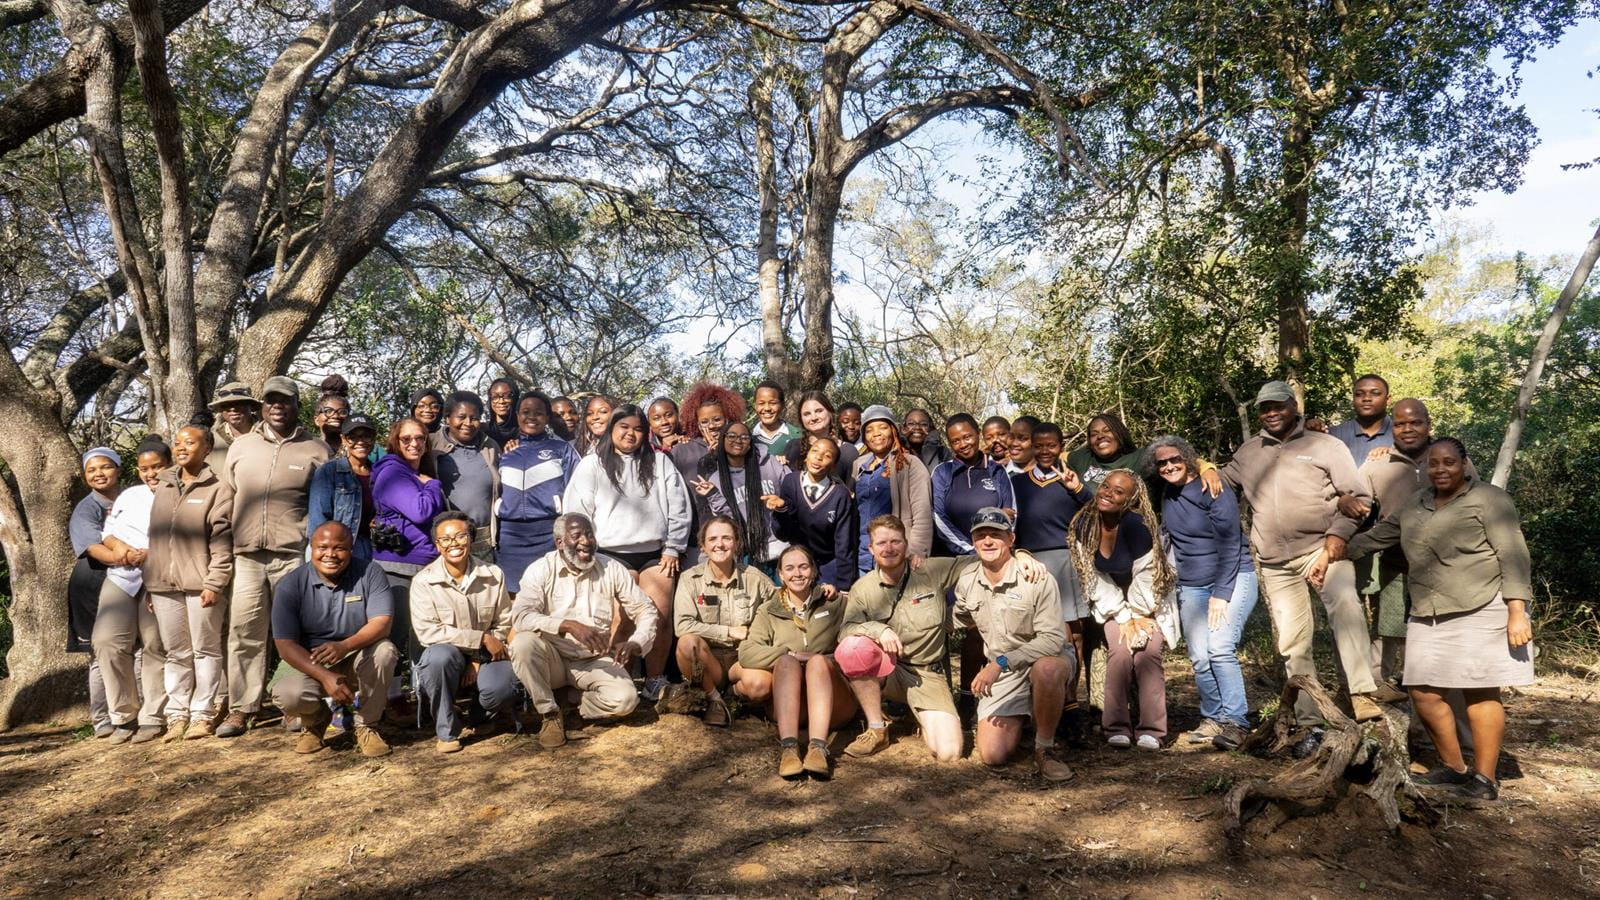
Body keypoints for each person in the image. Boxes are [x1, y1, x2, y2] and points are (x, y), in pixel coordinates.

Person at [1344, 438, 1532, 800]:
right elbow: (1381, 535)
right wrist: (1335, 550)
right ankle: (1455, 767)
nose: (1441, 470)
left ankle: (1485, 779)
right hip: (1429, 609)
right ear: (1426, 468)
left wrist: (1517, 611)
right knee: (1423, 691)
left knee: (1480, 690)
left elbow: (1513, 555)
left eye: (1449, 462)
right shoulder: (1416, 503)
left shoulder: (1490, 500)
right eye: (1434, 464)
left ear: (1464, 463)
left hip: (1482, 605)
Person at [1219, 380, 1381, 758]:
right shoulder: (1249, 452)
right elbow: (1222, 484)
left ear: (1293, 406)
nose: (1271, 413)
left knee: (1346, 608)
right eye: (1264, 408)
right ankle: (1309, 722)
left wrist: (1338, 536)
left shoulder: (1325, 445)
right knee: (1293, 641)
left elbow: (1359, 496)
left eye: (1278, 405)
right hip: (1275, 561)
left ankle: (1362, 695)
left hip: (1321, 548)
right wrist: (1207, 467)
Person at [835, 515, 1045, 762]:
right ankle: (876, 728)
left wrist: (1020, 555)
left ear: (906, 544)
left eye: (895, 541)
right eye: (881, 543)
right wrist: (878, 630)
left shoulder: (930, 570)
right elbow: (846, 630)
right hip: (887, 671)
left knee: (949, 752)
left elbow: (981, 557)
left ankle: (921, 716)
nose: (889, 548)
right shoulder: (863, 588)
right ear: (871, 549)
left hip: (927, 674)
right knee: (853, 648)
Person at [219, 375, 330, 737]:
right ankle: (242, 708)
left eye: (285, 400)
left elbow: (322, 506)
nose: (277, 406)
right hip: (247, 554)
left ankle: (290, 704)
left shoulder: (315, 450)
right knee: (244, 631)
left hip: (292, 555)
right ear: (261, 406)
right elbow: (225, 500)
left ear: (299, 406)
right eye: (271, 401)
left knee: (292, 632)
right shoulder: (241, 447)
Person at [1346, 398, 1477, 689]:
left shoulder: (1449, 458)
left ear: (1428, 425)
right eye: (1401, 423)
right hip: (1394, 559)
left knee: (1441, 623)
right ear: (1393, 427)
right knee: (1388, 625)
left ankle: (1440, 680)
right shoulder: (1377, 462)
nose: (1408, 429)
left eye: (1415, 422)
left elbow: (1476, 502)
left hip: (1447, 564)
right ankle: (1381, 683)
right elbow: (1360, 505)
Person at [564, 404, 691, 701]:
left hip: (656, 553)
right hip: (609, 553)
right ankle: (617, 679)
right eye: (624, 427)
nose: (630, 434)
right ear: (612, 429)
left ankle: (654, 679)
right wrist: (583, 551)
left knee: (659, 614)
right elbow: (576, 511)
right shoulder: (592, 464)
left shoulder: (659, 462)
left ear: (645, 433)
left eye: (637, 428)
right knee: (622, 618)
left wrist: (673, 547)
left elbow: (679, 507)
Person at [509, 513, 660, 748]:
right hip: (553, 660)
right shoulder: (540, 569)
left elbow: (646, 609)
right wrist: (567, 625)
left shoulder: (611, 568)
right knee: (523, 644)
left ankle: (572, 702)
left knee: (626, 701)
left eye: (589, 534)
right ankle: (549, 714)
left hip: (593, 660)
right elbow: (520, 616)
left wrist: (637, 642)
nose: (586, 541)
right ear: (560, 542)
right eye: (577, 535)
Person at [1146, 436, 1258, 751]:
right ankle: (1213, 717)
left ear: (1189, 458)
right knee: (1198, 655)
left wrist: (1221, 593)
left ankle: (1236, 722)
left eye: (1175, 460)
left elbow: (1231, 544)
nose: (1169, 466)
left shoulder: (1213, 487)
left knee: (1220, 647)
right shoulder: (1166, 490)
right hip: (1191, 584)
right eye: (1162, 463)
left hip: (1233, 577)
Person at [955, 508, 1075, 780]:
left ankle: (1045, 748)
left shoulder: (1036, 577)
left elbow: (1053, 640)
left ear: (1011, 539)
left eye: (995, 535)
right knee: (992, 754)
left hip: (1042, 658)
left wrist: (999, 663)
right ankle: (1029, 716)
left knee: (1047, 670)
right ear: (973, 542)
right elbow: (959, 618)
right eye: (980, 535)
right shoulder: (967, 581)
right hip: (1005, 670)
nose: (987, 541)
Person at [269, 522, 398, 757]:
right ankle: (316, 719)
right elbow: (285, 645)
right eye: (323, 547)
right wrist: (325, 676)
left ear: (351, 549)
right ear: (312, 548)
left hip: (358, 653)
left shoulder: (370, 572)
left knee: (385, 652)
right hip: (311, 661)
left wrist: (345, 646)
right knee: (287, 694)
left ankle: (366, 725)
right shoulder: (291, 584)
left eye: (339, 548)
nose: (330, 554)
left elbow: (382, 623)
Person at [1070, 469, 1175, 751]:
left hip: (1148, 602)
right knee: (1119, 647)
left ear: (1130, 500)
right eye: (1106, 486)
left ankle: (1152, 729)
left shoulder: (1138, 527)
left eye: (1118, 492)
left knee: (1148, 652)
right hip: (1112, 605)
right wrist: (1124, 616)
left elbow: (1149, 576)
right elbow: (1092, 577)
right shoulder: (1085, 525)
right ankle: (1116, 726)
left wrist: (1139, 614)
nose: (1107, 493)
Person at [143, 424, 233, 741]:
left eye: (190, 443)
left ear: (206, 449)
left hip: (201, 585)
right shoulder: (164, 484)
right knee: (176, 652)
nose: (182, 448)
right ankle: (177, 714)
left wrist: (215, 583)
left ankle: (202, 715)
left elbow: (222, 544)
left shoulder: (218, 488)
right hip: (162, 584)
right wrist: (150, 583)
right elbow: (155, 540)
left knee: (205, 650)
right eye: (178, 442)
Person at [737, 544, 855, 779]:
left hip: (834, 701)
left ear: (813, 570)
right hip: (791, 703)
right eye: (789, 568)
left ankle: (818, 749)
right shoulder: (769, 610)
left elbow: (854, 641)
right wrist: (789, 654)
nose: (797, 574)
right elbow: (747, 653)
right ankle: (789, 749)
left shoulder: (835, 603)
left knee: (818, 663)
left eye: (803, 567)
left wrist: (822, 659)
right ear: (780, 575)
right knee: (786, 662)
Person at [1008, 422, 1094, 742]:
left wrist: (1078, 489)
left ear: (1060, 446)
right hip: (1032, 563)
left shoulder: (1071, 480)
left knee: (1074, 635)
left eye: (1051, 445)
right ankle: (1035, 702)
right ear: (1031, 446)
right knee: (1036, 633)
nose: (1045, 451)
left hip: (1067, 560)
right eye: (1039, 445)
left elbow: (1098, 510)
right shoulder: (1017, 483)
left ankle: (1070, 705)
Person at [410, 512, 521, 753]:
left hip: (486, 654)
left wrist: (477, 659)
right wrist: (479, 638)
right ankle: (447, 730)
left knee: (503, 687)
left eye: (460, 536)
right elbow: (428, 633)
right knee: (438, 658)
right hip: (450, 656)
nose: (454, 544)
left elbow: (503, 621)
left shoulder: (493, 574)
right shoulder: (423, 582)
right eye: (446, 540)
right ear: (437, 545)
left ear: (471, 538)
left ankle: (479, 716)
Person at [91, 440, 171, 744]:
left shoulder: (177, 492)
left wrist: (149, 554)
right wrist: (120, 548)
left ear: (169, 465)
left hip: (160, 575)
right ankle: (123, 715)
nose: (150, 474)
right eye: (145, 468)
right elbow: (108, 533)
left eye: (157, 467)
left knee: (154, 643)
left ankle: (154, 715)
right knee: (106, 641)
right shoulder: (129, 495)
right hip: (122, 575)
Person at [671, 517, 775, 726]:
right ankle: (714, 699)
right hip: (709, 660)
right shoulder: (690, 579)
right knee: (687, 643)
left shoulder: (756, 579)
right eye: (713, 539)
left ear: (737, 543)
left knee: (760, 686)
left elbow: (780, 608)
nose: (720, 544)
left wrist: (822, 594)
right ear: (703, 546)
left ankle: (733, 695)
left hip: (744, 657)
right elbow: (682, 625)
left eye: (727, 538)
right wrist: (727, 631)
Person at [371, 417, 447, 673]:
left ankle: (419, 693)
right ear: (395, 442)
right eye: (406, 439)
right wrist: (433, 485)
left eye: (420, 438)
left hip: (422, 564)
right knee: (396, 632)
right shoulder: (393, 472)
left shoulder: (412, 473)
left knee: (422, 632)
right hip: (399, 565)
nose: (414, 443)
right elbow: (420, 511)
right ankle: (387, 696)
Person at [496, 391, 580, 593]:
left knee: (550, 595)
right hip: (510, 537)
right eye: (525, 412)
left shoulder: (562, 449)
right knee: (513, 600)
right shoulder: (506, 452)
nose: (531, 417)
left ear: (547, 418)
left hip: (548, 535)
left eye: (538, 413)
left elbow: (577, 492)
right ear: (517, 415)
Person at [71, 447, 123, 737]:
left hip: (129, 578)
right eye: (91, 470)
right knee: (99, 652)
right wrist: (127, 558)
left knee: (135, 648)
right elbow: (94, 549)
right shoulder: (86, 509)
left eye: (105, 467)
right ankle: (101, 718)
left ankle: (129, 710)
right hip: (93, 583)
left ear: (118, 469)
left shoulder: (132, 498)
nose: (99, 474)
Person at [690, 422, 786, 568]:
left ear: (750, 442)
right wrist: (713, 494)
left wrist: (783, 504)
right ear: (722, 440)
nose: (738, 440)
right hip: (747, 556)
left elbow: (792, 496)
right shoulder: (716, 479)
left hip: (781, 551)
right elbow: (729, 521)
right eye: (732, 436)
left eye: (744, 437)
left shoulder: (771, 464)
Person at [852, 405, 933, 575]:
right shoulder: (859, 465)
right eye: (869, 430)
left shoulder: (909, 464)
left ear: (894, 431)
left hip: (896, 554)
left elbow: (922, 514)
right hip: (864, 553)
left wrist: (917, 551)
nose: (876, 434)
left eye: (883, 427)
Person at [769, 436, 857, 590]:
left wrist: (844, 586)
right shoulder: (791, 482)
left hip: (828, 566)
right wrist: (782, 509)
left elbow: (844, 543)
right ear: (807, 455)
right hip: (799, 565)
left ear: (833, 465)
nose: (819, 457)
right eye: (815, 451)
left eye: (827, 455)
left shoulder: (840, 494)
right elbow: (782, 533)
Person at [931, 413, 1015, 557]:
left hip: (996, 555)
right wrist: (970, 549)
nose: (963, 445)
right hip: (957, 558)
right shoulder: (942, 472)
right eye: (955, 441)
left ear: (978, 434)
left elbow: (1012, 514)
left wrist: (994, 547)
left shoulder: (997, 470)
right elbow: (938, 517)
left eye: (967, 437)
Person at [436, 391, 501, 557]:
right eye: (461, 417)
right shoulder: (432, 445)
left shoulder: (491, 447)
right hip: (446, 540)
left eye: (474, 418)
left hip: (485, 539)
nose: (468, 423)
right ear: (447, 418)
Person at [307, 414, 379, 565]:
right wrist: (327, 554)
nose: (361, 442)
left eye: (367, 436)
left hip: (372, 549)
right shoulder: (329, 472)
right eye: (353, 437)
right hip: (336, 548)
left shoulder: (380, 473)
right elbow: (318, 519)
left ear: (373, 439)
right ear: (344, 439)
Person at [783, 391, 859, 483]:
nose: (814, 417)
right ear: (801, 419)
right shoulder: (793, 446)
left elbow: (851, 492)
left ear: (830, 413)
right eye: (807, 414)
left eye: (819, 411)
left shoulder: (848, 452)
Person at [1327, 374, 1394, 464]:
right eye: (1359, 394)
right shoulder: (1333, 435)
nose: (1366, 398)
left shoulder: (1403, 435)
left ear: (1388, 399)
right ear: (1353, 399)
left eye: (1375, 393)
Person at [205, 381, 259, 471]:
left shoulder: (266, 435)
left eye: (238, 403)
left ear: (251, 406)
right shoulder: (211, 439)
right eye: (226, 405)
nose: (233, 409)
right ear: (221, 410)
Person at [751, 380, 802, 460]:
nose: (767, 408)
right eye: (761, 403)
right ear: (755, 406)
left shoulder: (797, 436)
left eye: (773, 403)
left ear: (782, 405)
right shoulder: (749, 439)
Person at [312, 375, 351, 455]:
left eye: (342, 412)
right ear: (316, 420)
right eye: (328, 411)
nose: (335, 416)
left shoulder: (363, 449)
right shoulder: (306, 448)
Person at [483, 378, 521, 448]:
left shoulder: (525, 432)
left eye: (507, 396)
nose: (501, 401)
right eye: (495, 397)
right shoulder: (482, 431)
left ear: (515, 399)